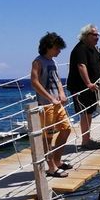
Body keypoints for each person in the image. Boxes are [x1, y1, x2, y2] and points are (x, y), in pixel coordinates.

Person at [30, 32, 72, 178]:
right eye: (57, 48)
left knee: (66, 129)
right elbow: (34, 81)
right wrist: (49, 98)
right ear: (48, 47)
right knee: (47, 136)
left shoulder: (53, 62)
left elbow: (57, 79)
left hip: (57, 103)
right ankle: (51, 168)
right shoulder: (38, 61)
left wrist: (61, 93)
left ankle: (57, 161)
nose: (59, 51)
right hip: (46, 104)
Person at [67, 24, 100, 150]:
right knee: (85, 113)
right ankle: (85, 142)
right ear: (86, 36)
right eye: (94, 35)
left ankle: (87, 139)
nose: (97, 37)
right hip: (81, 87)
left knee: (89, 112)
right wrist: (88, 83)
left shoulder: (92, 48)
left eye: (98, 34)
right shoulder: (80, 48)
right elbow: (81, 66)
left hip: (90, 87)